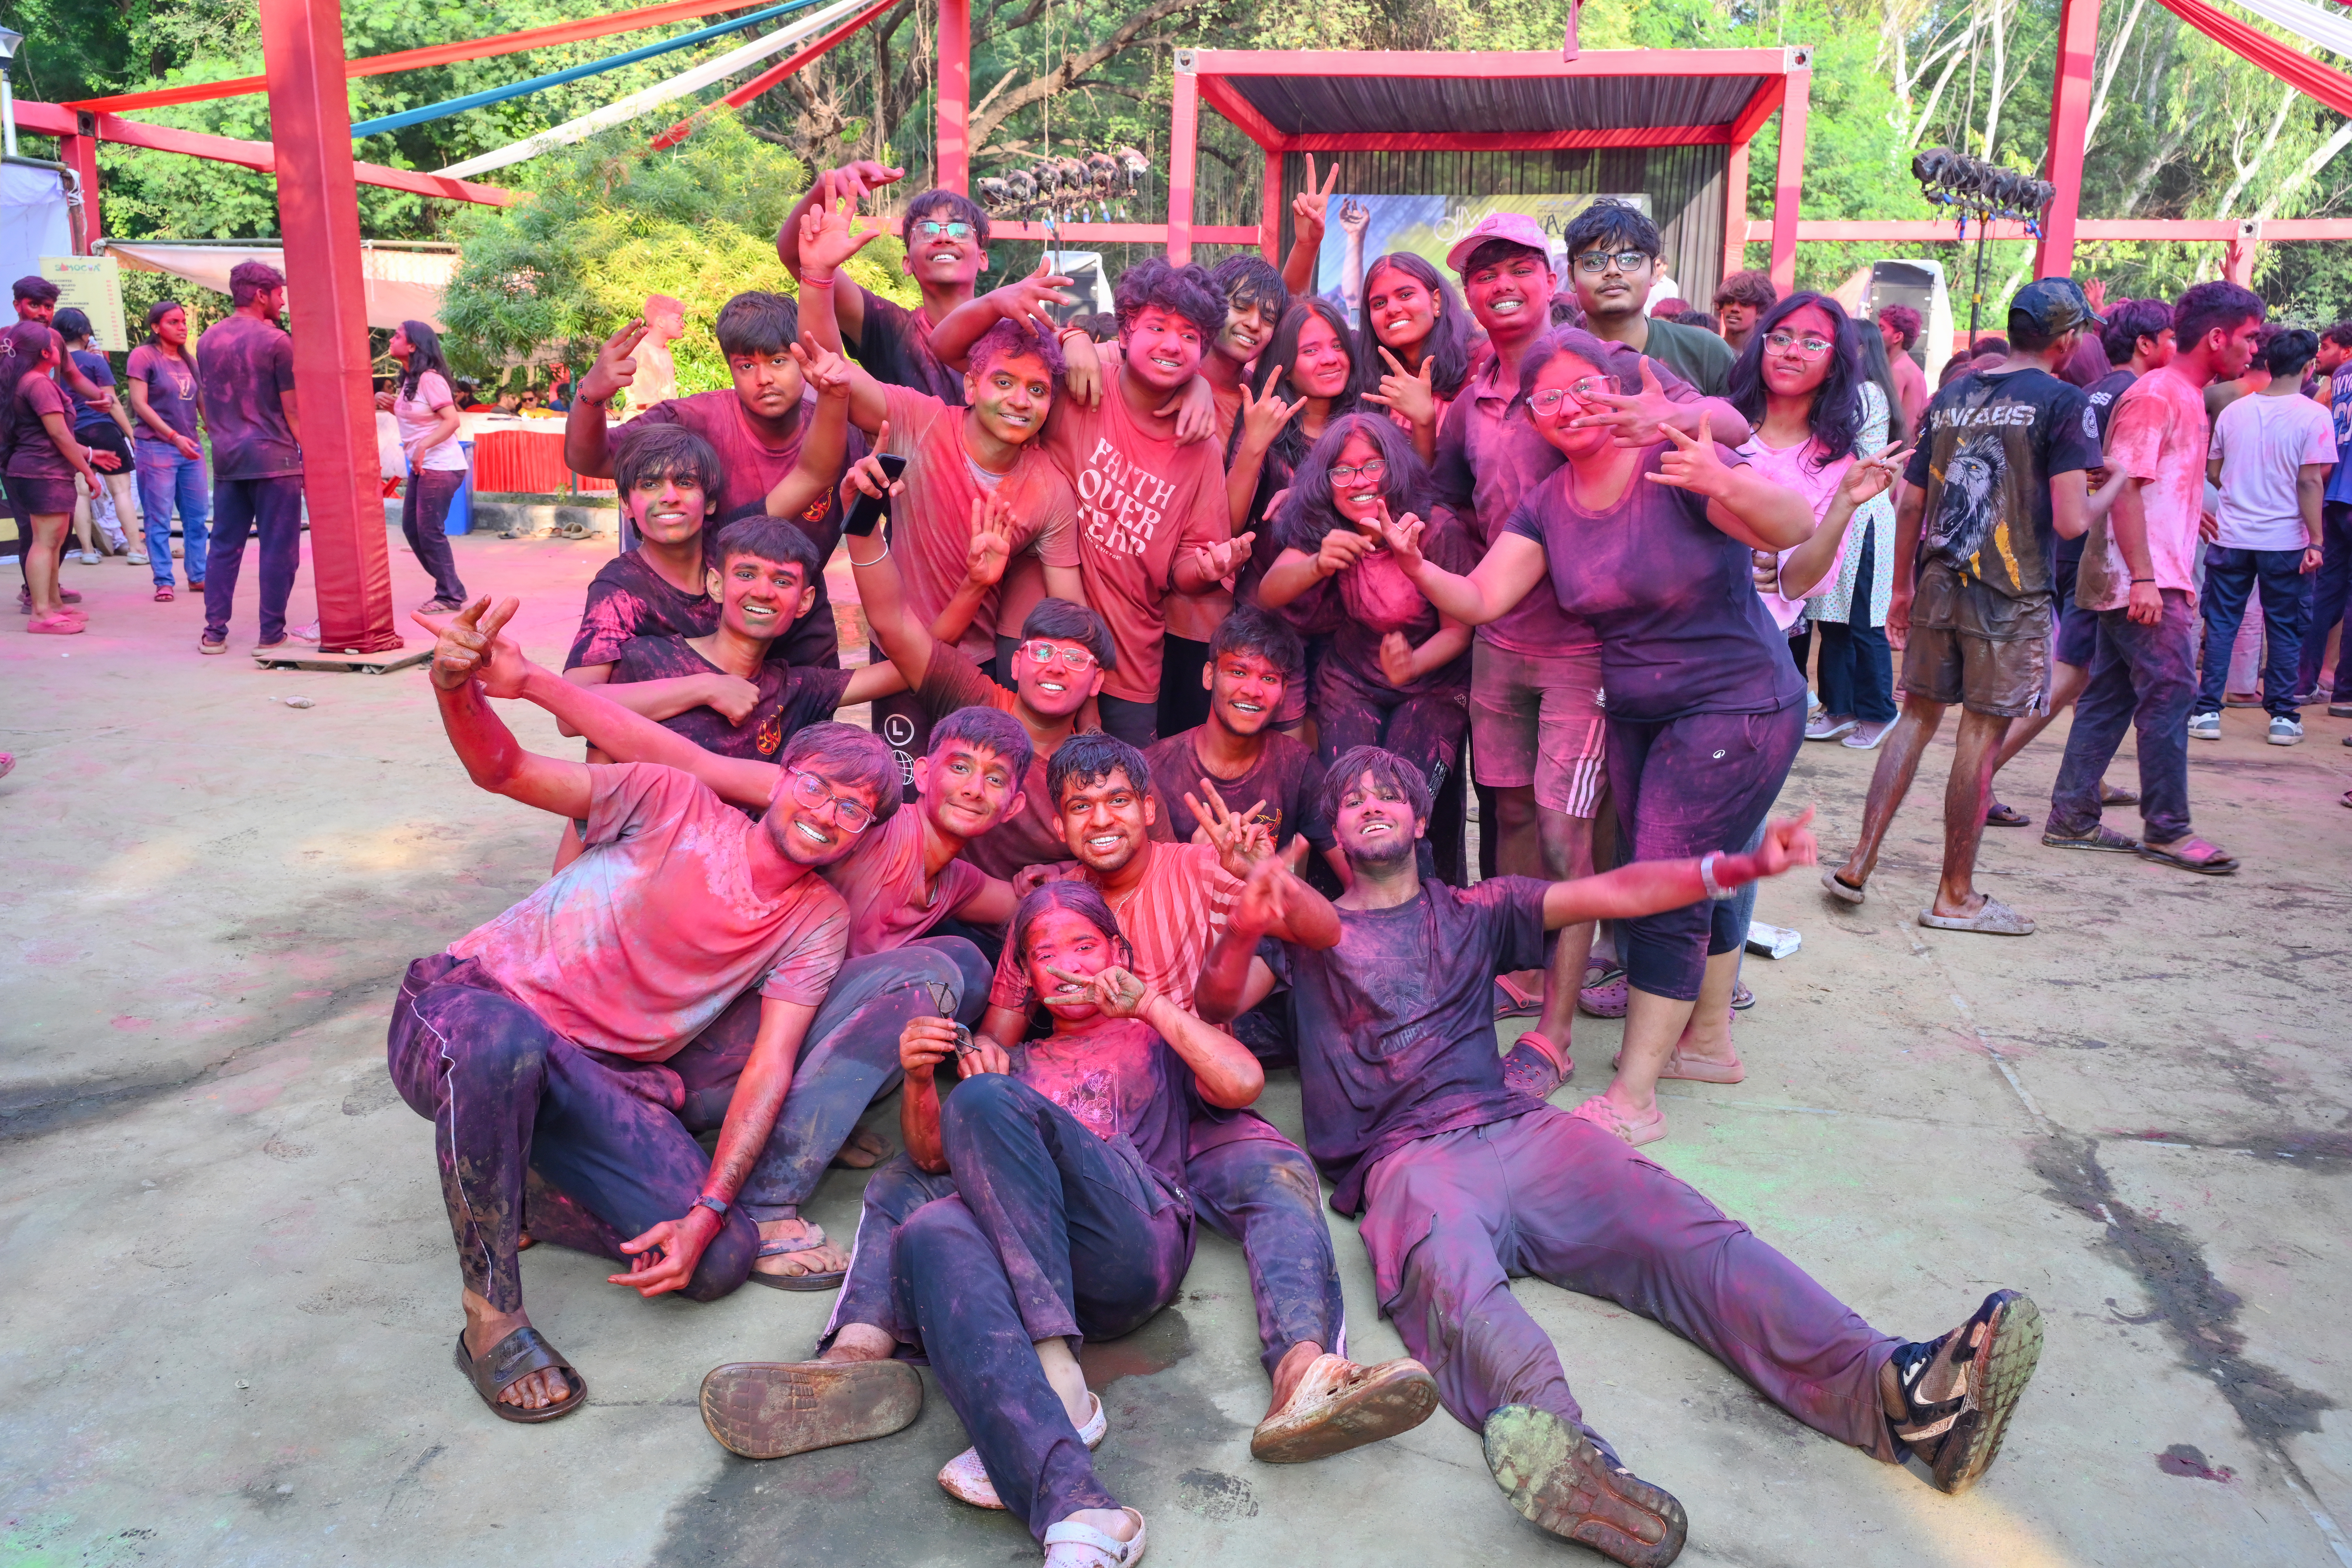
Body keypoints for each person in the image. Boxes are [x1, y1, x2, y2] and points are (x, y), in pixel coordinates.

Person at [1195, 745, 2045, 1564]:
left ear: (1422, 820)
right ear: (1337, 833)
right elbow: (1219, 998)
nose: (1370, 803)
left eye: (1389, 793)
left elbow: (1615, 890)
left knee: (1695, 1236)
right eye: (1352, 799)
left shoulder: (1478, 908)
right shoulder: (1302, 929)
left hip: (1521, 1129)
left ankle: (1905, 1395)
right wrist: (1241, 927)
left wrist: (1734, 871)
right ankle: (1574, 1462)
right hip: (1408, 1162)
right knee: (1461, 1290)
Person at [409, 603, 1004, 1369]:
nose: (829, 814)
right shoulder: (673, 803)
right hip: (471, 1009)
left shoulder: (817, 918)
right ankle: (491, 1318)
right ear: (779, 779)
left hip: (593, 1076)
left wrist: (714, 1209)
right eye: (819, 787)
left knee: (723, 1257)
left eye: (854, 810)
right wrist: (461, 688)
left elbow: (770, 1063)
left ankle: (527, 1190)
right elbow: (506, 770)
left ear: (865, 835)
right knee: (506, 1039)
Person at [714, 883, 1273, 1565]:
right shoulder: (1019, 1063)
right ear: (1029, 980)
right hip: (1054, 1277)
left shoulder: (1152, 1037)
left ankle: (1052, 1371)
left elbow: (1243, 1082)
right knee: (930, 1226)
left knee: (983, 1100)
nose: (1066, 965)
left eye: (1085, 947)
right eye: (1045, 956)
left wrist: (1149, 1004)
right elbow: (929, 1160)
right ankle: (1077, 1508)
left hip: (1132, 1244)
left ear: (1118, 955)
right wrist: (921, 1080)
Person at [964, 733, 1440, 1465]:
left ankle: (1303, 1373)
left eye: (1119, 801)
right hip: (1101, 1117)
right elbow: (999, 1027)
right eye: (1080, 807)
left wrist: (1263, 874)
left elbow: (1323, 930)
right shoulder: (1048, 899)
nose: (1101, 820)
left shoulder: (1197, 865)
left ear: (1149, 809)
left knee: (1279, 1180)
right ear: (1059, 826)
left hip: (1197, 1088)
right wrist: (979, 1055)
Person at [1392, 326, 1818, 1144]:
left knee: (1662, 879)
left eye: (1584, 389)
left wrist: (1718, 480)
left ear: (1620, 388)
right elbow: (1483, 599)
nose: (1567, 409)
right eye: (1547, 400)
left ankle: (1634, 1095)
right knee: (1684, 872)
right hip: (1639, 711)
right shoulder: (1548, 502)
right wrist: (1414, 564)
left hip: (1737, 704)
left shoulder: (1674, 459)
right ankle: (1709, 1043)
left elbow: (1792, 523)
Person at [1432, 214, 1750, 1062]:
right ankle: (1525, 959)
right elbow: (1456, 508)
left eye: (1517, 271)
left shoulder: (1600, 370)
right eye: (1481, 275)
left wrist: (1694, 437)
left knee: (1579, 820)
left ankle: (1599, 974)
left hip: (1597, 645)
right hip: (1501, 637)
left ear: (1550, 282)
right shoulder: (1474, 399)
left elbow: (1725, 424)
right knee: (1504, 805)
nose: (1500, 288)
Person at [1823, 280, 2106, 934]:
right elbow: (2069, 522)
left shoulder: (1952, 395)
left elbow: (1910, 501)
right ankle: (1954, 894)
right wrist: (2111, 484)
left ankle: (1857, 865)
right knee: (1978, 734)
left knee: (1915, 719)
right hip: (2011, 595)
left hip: (1936, 582)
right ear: (2065, 339)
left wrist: (1899, 587)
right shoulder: (2065, 403)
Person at [792, 199, 1086, 747]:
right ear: (971, 386)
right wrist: (817, 276)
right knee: (903, 796)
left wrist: (1083, 716)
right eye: (1003, 383)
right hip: (901, 650)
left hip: (982, 666)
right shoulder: (920, 422)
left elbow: (1069, 610)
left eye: (1038, 390)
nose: (1020, 401)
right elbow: (832, 369)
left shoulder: (1049, 488)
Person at [933, 257, 1246, 749]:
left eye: (1189, 335)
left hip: (1130, 656)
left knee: (1114, 788)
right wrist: (1071, 336)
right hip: (1037, 628)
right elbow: (950, 350)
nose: (1171, 343)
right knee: (1015, 774)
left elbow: (1183, 566)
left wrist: (1207, 567)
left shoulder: (1199, 443)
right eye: (1157, 326)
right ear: (1124, 332)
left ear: (1204, 349)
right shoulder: (1082, 381)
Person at [2049, 280, 2265, 873]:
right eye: (2248, 338)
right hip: (2141, 580)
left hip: (2145, 573)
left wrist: (2189, 521)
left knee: (2110, 698)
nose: (2254, 349)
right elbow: (2121, 487)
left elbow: (2147, 486)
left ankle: (2073, 815)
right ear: (2218, 337)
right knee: (2170, 696)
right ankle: (2168, 828)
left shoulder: (2186, 395)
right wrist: (2145, 577)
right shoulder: (2159, 394)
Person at [843, 477, 1131, 880]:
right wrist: (863, 517)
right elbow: (892, 625)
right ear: (1016, 665)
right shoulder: (975, 699)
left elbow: (1136, 854)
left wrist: (1069, 873)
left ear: (1097, 682)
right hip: (933, 893)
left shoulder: (1096, 770)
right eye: (1043, 652)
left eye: (1075, 658)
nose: (1056, 667)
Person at [566, 292, 858, 669]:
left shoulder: (841, 432)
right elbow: (593, 459)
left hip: (801, 623)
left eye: (779, 361)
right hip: (713, 623)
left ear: (803, 358)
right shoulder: (692, 420)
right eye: (746, 366)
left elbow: (842, 490)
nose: (765, 379)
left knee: (811, 725)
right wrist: (590, 396)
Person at [1255, 414, 1473, 878]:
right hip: (1351, 680)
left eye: (1372, 465)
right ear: (1325, 481)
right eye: (1343, 471)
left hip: (1432, 685)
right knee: (1349, 802)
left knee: (1401, 805)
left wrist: (1412, 663)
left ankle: (1425, 928)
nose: (1359, 481)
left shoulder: (1434, 527)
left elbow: (1460, 631)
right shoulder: (1327, 522)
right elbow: (1270, 593)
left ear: (1396, 467)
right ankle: (1352, 931)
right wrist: (1317, 562)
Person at [1983, 297, 2174, 822]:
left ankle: (2088, 778)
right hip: (2099, 554)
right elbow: (2117, 482)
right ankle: (1979, 777)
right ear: (2146, 343)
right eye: (2171, 336)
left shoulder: (2090, 395)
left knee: (2097, 678)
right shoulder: (2137, 396)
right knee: (2069, 675)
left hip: (2072, 551)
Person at [1732, 294, 1905, 752]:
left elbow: (1797, 584)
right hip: (1681, 644)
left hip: (1754, 661)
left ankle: (1869, 709)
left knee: (1856, 623)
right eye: (1782, 338)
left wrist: (1845, 504)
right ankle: (1840, 707)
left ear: (1834, 364)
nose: (1792, 351)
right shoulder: (1723, 425)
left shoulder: (1835, 464)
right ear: (1762, 346)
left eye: (1813, 344)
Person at [2193, 328, 2330, 746]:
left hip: (2232, 536)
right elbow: (2310, 482)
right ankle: (2284, 719)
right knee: (2285, 628)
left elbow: (2213, 470)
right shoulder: (2314, 416)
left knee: (2221, 623)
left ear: (2268, 366)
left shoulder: (2234, 411)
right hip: (2285, 542)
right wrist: (2317, 540)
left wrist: (2239, 488)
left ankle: (2206, 713)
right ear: (2309, 369)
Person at [1143, 605, 1340, 882]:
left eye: (1269, 678)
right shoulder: (1154, 768)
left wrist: (1270, 878)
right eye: (1238, 672)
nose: (1253, 690)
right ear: (1210, 676)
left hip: (1264, 921)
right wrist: (1193, 859)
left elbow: (1358, 880)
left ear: (1283, 693)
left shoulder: (1297, 765)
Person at [778, 162, 990, 405]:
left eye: (960, 231)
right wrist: (827, 187)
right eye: (927, 231)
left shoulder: (1016, 333)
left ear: (983, 259)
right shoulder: (890, 329)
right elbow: (800, 257)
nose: (944, 237)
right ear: (908, 263)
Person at [194, 260, 303, 656]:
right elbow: (293, 412)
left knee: (224, 546)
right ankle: (271, 633)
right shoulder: (277, 342)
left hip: (227, 459)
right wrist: (309, 456)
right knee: (279, 548)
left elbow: (207, 398)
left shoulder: (207, 340)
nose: (283, 300)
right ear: (261, 295)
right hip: (275, 460)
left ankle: (214, 633)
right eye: (278, 293)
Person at [7, 321, 120, 634]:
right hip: (41, 469)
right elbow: (58, 434)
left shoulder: (30, 380)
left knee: (54, 541)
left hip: (42, 469)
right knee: (45, 542)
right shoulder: (38, 383)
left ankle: (53, 603)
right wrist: (88, 468)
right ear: (47, 352)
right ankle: (41, 612)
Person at [1565, 201, 1734, 395]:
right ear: (1572, 277)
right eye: (1595, 262)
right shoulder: (1555, 363)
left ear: (1654, 271)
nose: (1613, 271)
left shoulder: (1706, 353)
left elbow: (1741, 425)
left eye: (1629, 259)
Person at [125, 299, 210, 603]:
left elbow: (202, 401)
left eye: (183, 321)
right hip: (157, 447)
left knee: (197, 517)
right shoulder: (143, 356)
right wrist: (174, 437)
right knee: (159, 519)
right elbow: (140, 404)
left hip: (190, 450)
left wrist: (216, 431)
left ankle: (198, 575)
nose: (182, 326)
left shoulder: (190, 360)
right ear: (155, 327)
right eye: (173, 322)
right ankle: (164, 580)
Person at [1358, 250, 1478, 463]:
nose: (1393, 309)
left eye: (1405, 295)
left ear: (1436, 302)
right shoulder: (1367, 375)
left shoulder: (1481, 363)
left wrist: (1424, 419)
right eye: (1379, 304)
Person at [383, 319, 470, 612]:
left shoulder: (431, 379)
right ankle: (452, 586)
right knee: (412, 528)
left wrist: (422, 446)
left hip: (441, 465)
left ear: (413, 346)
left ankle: (449, 595)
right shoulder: (410, 379)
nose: (391, 340)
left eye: (397, 336)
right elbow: (419, 415)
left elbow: (452, 420)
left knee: (429, 531)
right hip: (425, 465)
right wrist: (389, 404)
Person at [55, 308, 142, 564]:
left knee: (80, 493)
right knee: (121, 491)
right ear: (85, 334)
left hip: (72, 433)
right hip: (103, 430)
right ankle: (136, 549)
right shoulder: (94, 362)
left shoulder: (53, 365)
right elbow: (111, 401)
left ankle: (88, 552)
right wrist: (132, 433)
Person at [2297, 320, 2352, 712]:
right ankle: (2347, 693)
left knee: (2326, 593)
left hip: (2336, 495)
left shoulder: (2343, 377)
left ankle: (2301, 682)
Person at [1877, 305, 1930, 435]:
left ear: (1898, 337)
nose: (1876, 334)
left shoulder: (1898, 371)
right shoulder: (1913, 369)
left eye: (1881, 329)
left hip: (1898, 453)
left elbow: (1885, 420)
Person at [1712, 269, 1778, 359]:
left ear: (1761, 311)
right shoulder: (1708, 352)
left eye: (1745, 304)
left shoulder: (1764, 359)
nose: (1735, 309)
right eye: (1729, 302)